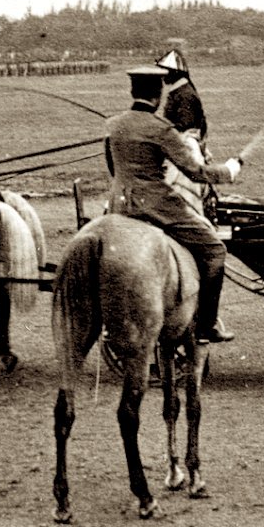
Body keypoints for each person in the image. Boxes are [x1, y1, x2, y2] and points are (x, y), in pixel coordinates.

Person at [105, 66, 243, 345]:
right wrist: (229, 171)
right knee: (215, 250)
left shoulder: (112, 125)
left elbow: (112, 167)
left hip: (118, 205)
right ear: (158, 96)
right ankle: (206, 325)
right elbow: (195, 172)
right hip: (155, 206)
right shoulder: (162, 130)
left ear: (133, 91)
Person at [155, 49, 234, 341]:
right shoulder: (182, 91)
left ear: (173, 74)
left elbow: (186, 137)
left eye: (165, 73)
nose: (163, 78)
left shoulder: (182, 95)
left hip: (183, 164)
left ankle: (202, 322)